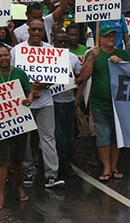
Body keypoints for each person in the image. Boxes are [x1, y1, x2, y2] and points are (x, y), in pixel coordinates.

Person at [12, 19, 65, 189]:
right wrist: (28, 90)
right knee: (24, 139)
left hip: (46, 101)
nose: (36, 33)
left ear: (44, 32)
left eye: (40, 30)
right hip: (24, 102)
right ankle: (28, 170)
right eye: (33, 29)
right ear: (28, 30)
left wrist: (45, 85)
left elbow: (57, 77)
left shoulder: (50, 50)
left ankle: (51, 174)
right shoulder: (17, 51)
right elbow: (11, 76)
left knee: (48, 137)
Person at [0, 45, 33, 211]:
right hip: (0, 125)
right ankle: (1, 196)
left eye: (6, 55)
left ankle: (20, 189)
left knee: (18, 160)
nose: (4, 58)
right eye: (0, 56)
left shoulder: (19, 73)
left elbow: (29, 91)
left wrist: (29, 99)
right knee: (1, 160)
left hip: (19, 123)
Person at [79, 25, 130, 181]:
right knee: (103, 136)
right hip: (99, 103)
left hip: (118, 104)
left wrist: (121, 62)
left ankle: (114, 165)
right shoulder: (93, 53)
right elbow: (85, 76)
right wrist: (92, 58)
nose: (111, 38)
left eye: (113, 36)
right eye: (108, 36)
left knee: (116, 136)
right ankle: (106, 167)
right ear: (100, 38)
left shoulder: (121, 53)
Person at [51, 30, 81, 179]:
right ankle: (55, 168)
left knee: (69, 137)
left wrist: (78, 89)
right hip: (52, 103)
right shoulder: (45, 57)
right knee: (58, 137)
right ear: (53, 41)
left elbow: (79, 77)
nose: (62, 44)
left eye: (65, 42)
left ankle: (66, 166)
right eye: (59, 42)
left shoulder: (73, 58)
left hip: (68, 102)